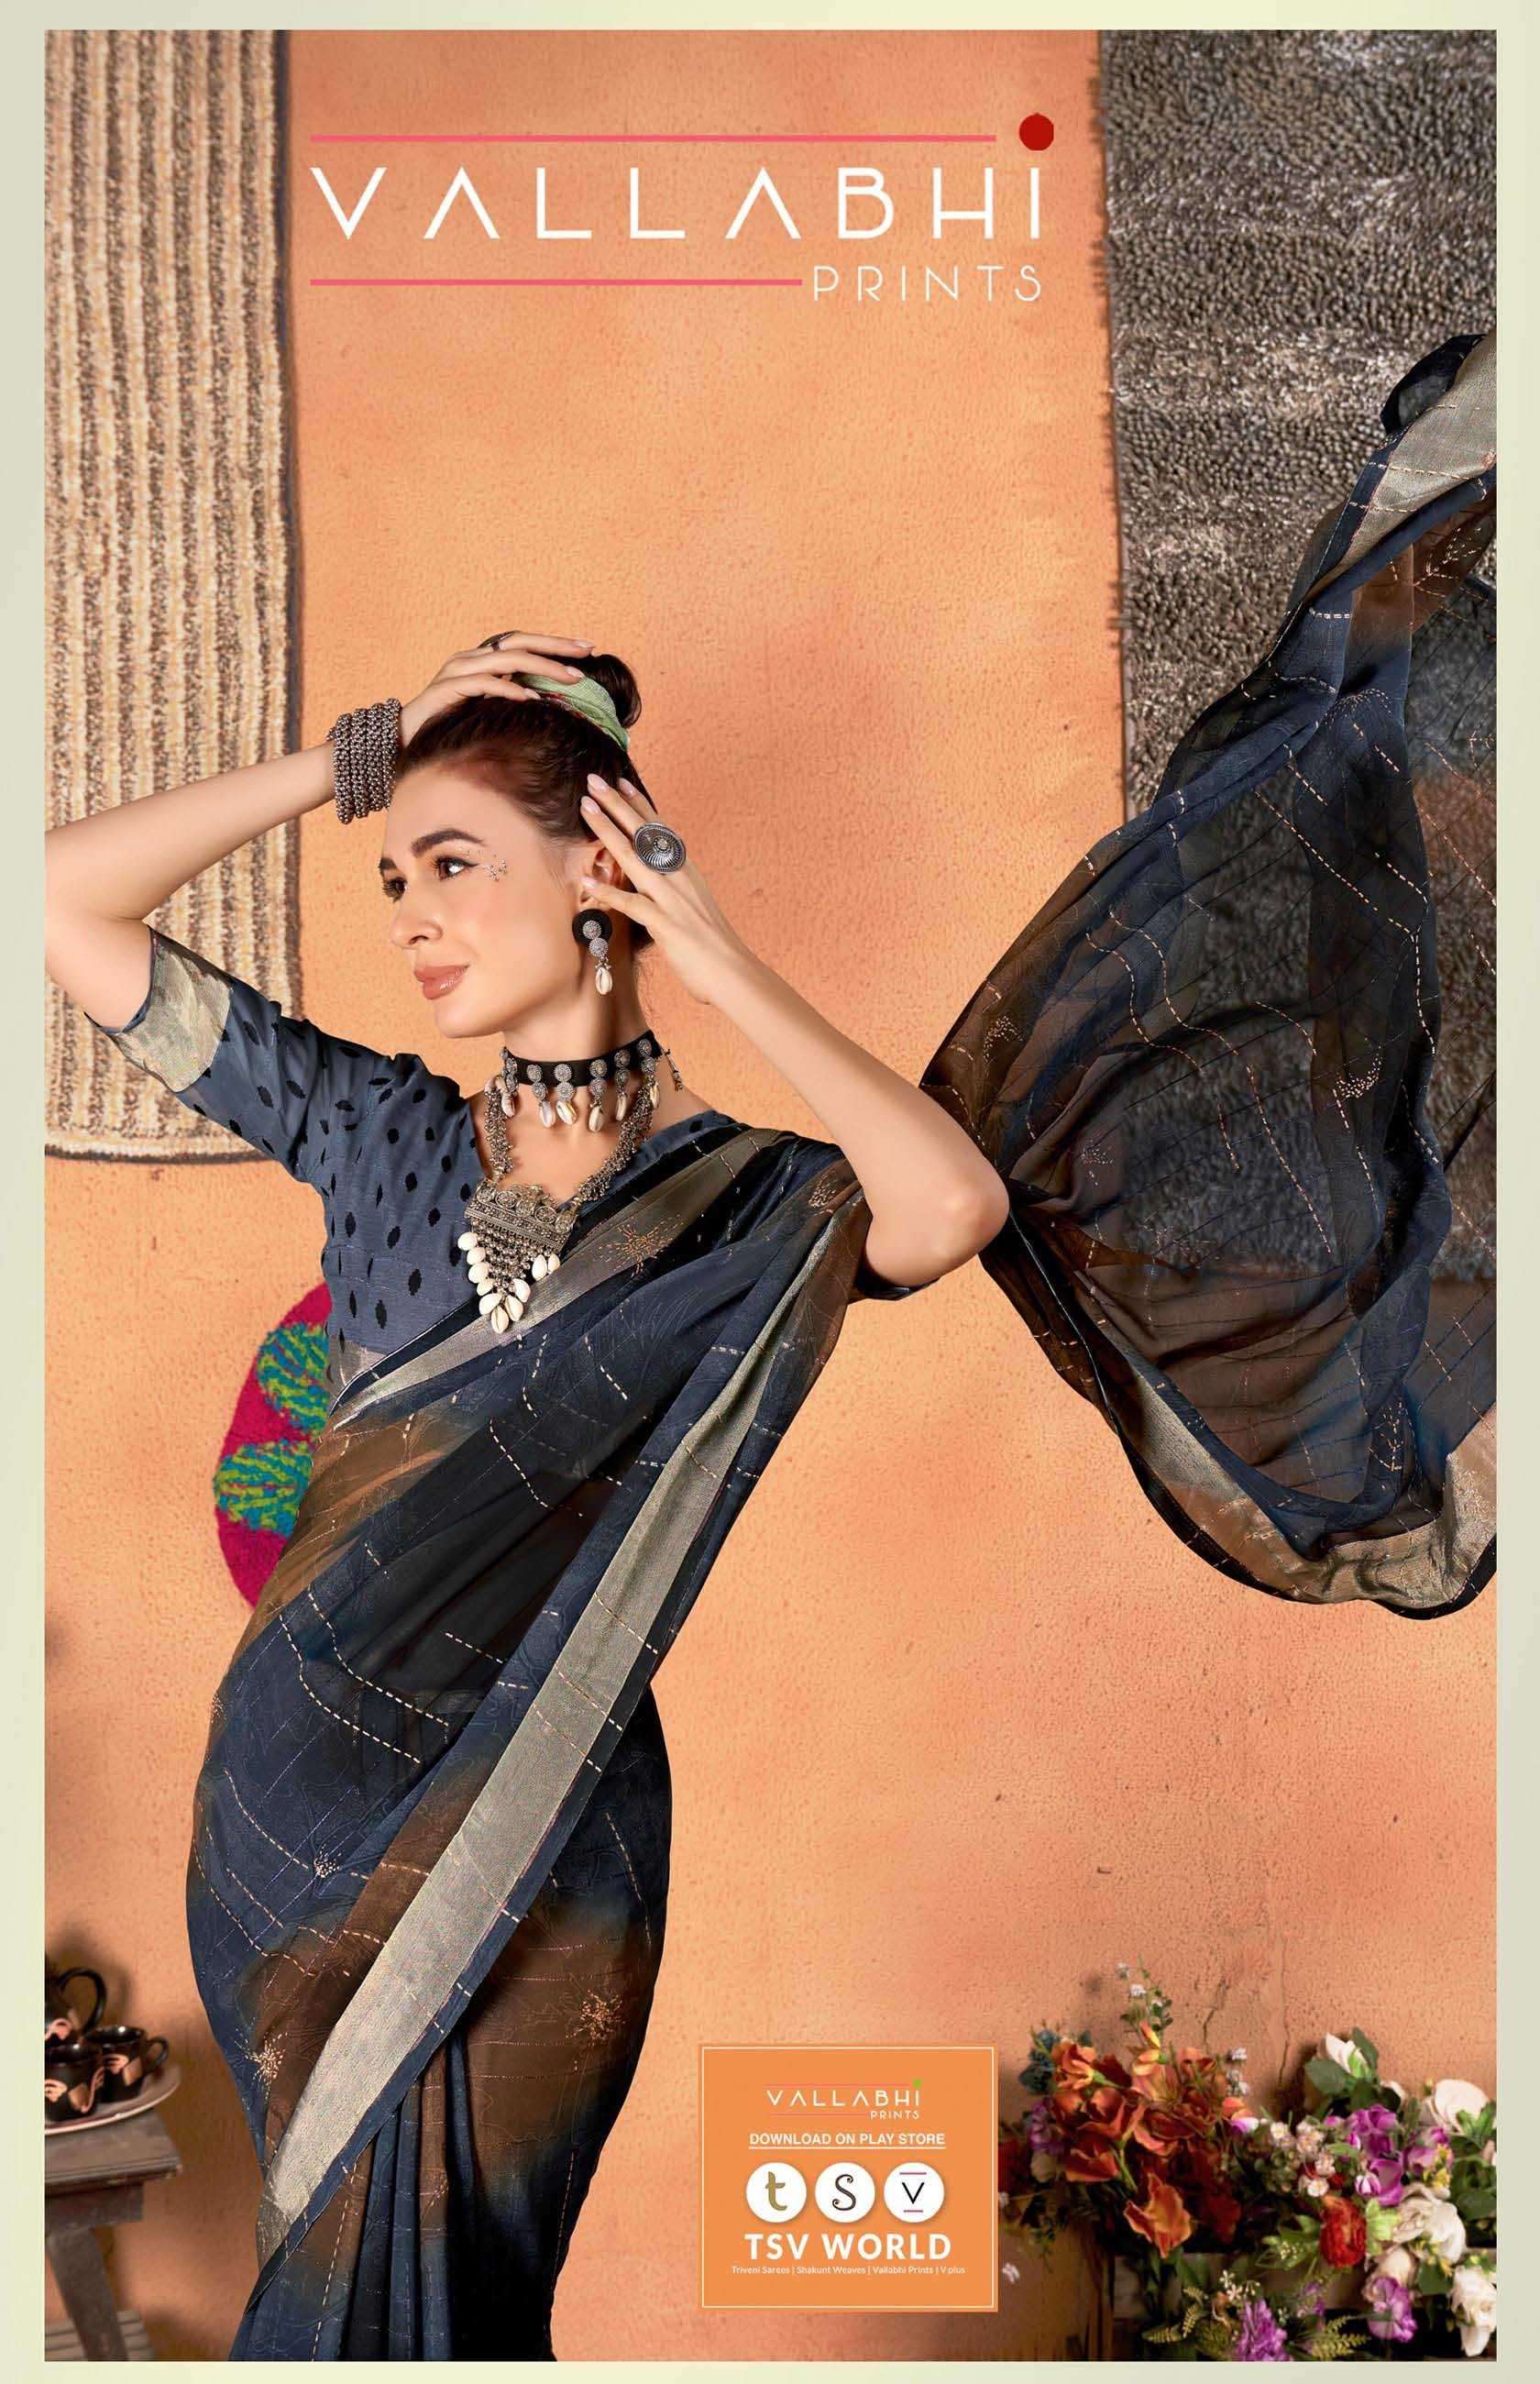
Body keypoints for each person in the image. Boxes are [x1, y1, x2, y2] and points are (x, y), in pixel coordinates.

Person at [43, 327, 1494, 2357]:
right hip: (293, 1816)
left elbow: (949, 1206)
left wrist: (715, 947)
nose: (414, 919)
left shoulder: (750, 1199)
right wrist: (358, 754)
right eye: (392, 881)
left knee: (474, 2290)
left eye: (453, 867)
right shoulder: (374, 1129)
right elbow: (61, 902)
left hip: (553, 1829)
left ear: (599, 871)